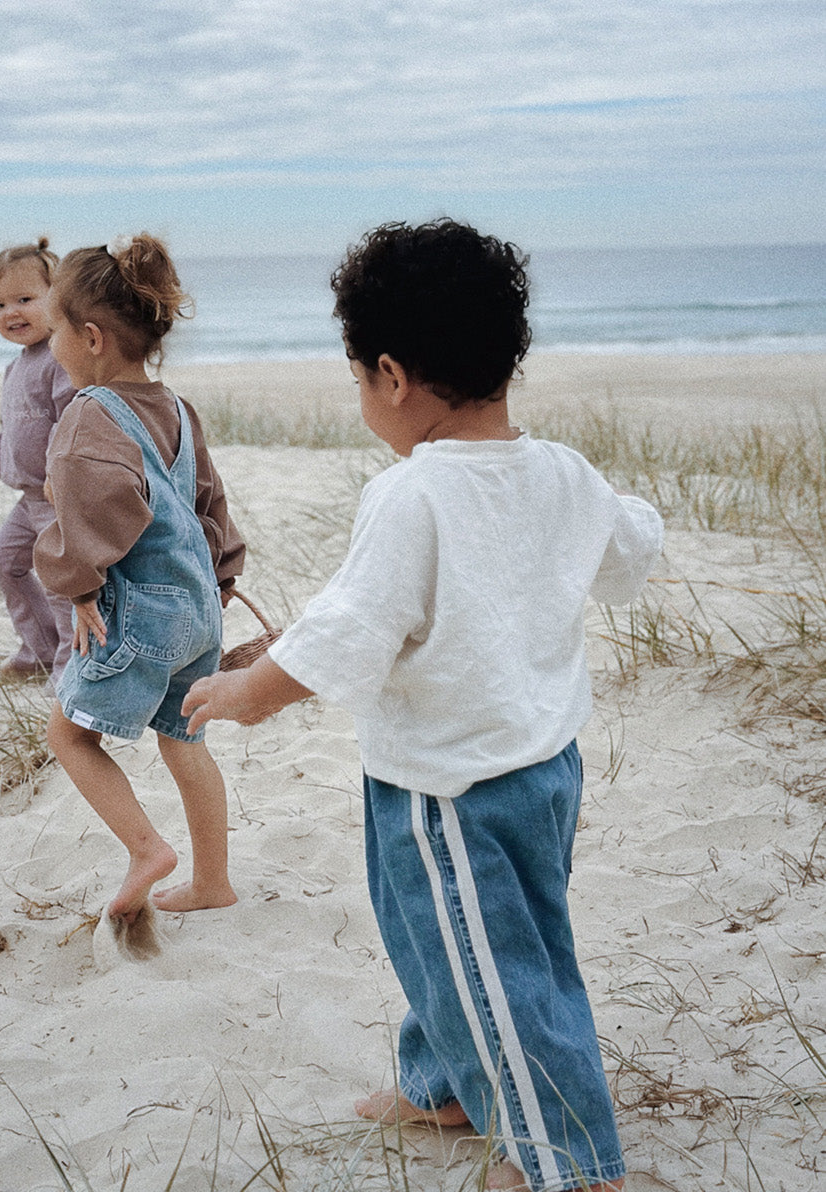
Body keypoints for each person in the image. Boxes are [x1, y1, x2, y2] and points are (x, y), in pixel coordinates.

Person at [183, 218, 663, 1192]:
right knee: (462, 941)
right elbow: (625, 553)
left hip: (447, 790)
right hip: (544, 768)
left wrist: (247, 691)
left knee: (496, 968)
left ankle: (562, 1162)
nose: (363, 396)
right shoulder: (562, 472)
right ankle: (442, 1083)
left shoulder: (412, 495)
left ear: (391, 377)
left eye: (358, 378)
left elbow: (351, 637)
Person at [34, 236, 245, 928]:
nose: (51, 341)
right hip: (198, 609)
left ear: (90, 337)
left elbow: (86, 513)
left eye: (55, 327)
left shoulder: (89, 417)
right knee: (185, 740)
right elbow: (209, 503)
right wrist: (223, 573)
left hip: (143, 618)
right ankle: (213, 880)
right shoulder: (178, 410)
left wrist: (79, 585)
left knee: (69, 736)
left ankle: (147, 849)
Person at [0, 238, 76, 685]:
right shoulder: (16, 367)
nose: (11, 313)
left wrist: (64, 475)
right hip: (29, 499)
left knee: (62, 583)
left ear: (59, 297)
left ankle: (71, 665)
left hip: (58, 496)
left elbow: (74, 422)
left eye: (25, 299)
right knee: (4, 561)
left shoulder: (61, 358)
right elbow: (18, 430)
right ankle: (40, 648)